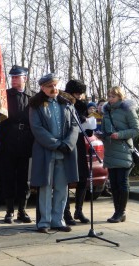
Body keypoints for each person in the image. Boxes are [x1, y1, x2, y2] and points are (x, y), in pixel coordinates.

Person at [29, 74, 79, 233]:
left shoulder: (67, 103)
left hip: (65, 152)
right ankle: (44, 222)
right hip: (46, 152)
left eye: (56, 85)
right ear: (43, 88)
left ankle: (58, 220)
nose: (54, 89)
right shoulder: (36, 105)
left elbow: (75, 126)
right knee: (45, 187)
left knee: (61, 188)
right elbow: (37, 129)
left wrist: (68, 143)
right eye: (50, 86)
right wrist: (56, 144)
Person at [0, 65, 34, 224]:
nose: (13, 80)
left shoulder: (33, 97)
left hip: (26, 142)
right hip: (8, 142)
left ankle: (22, 210)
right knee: (8, 177)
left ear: (25, 78)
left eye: (16, 77)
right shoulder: (4, 96)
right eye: (12, 77)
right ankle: (9, 210)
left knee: (24, 179)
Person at [101, 86, 139, 223]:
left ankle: (121, 212)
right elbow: (105, 129)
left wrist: (120, 135)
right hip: (110, 150)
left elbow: (136, 129)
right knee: (113, 183)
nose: (110, 99)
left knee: (122, 182)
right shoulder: (106, 111)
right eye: (109, 96)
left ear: (120, 97)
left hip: (124, 150)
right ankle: (116, 211)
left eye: (113, 96)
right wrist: (101, 135)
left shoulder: (127, 110)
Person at [63, 79, 91, 225]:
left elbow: (89, 131)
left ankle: (78, 210)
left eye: (81, 94)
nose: (79, 96)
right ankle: (65, 211)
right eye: (76, 93)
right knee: (67, 178)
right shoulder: (64, 103)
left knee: (83, 177)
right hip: (68, 143)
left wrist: (89, 125)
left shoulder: (82, 105)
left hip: (80, 143)